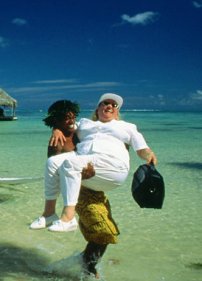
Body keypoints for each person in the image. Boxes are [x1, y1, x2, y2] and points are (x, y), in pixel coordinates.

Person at [44, 93, 157, 233]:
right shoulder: (84, 124)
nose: (110, 106)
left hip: (112, 165)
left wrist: (149, 154)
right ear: (98, 108)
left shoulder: (126, 127)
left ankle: (68, 218)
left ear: (117, 112)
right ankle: (48, 214)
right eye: (106, 103)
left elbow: (141, 149)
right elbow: (66, 126)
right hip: (85, 164)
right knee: (53, 162)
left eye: (114, 105)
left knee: (71, 163)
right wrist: (55, 130)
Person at [29, 100, 95, 229]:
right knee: (90, 225)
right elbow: (55, 176)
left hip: (89, 180)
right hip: (78, 188)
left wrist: (56, 128)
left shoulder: (79, 131)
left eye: (73, 117)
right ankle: (50, 214)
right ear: (56, 120)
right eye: (66, 118)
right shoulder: (57, 143)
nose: (71, 121)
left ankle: (51, 215)